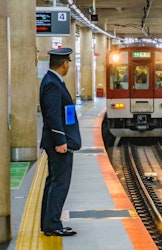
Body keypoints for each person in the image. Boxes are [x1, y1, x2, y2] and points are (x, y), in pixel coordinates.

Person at [39, 48, 81, 237]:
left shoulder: (52, 81)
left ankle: (49, 223)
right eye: (68, 63)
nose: (68, 66)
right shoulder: (52, 84)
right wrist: (61, 141)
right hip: (58, 144)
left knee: (54, 182)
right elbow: (52, 115)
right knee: (59, 184)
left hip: (57, 141)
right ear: (64, 64)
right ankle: (53, 225)